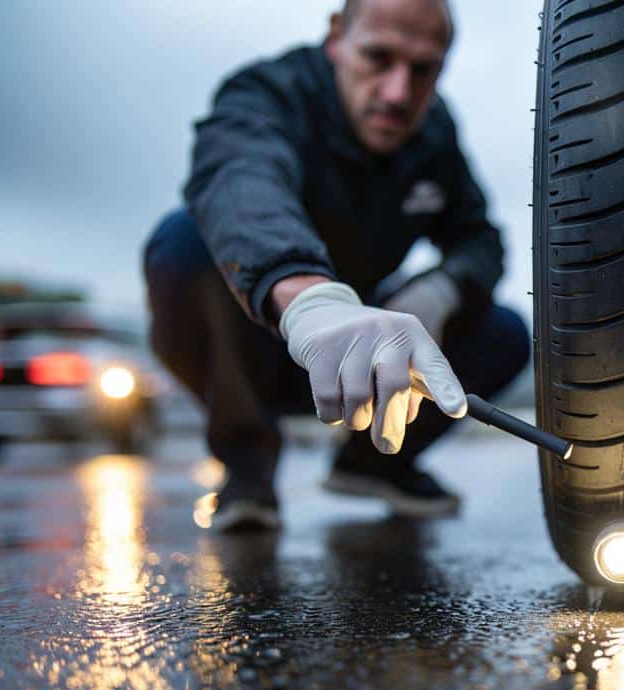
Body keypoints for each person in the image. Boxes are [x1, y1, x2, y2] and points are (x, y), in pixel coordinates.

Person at [142, 0, 529, 531]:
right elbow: (242, 184)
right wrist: (309, 299)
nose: (398, 93)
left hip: (368, 364)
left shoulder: (433, 132)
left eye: (423, 70)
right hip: (257, 343)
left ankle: (374, 461)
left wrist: (440, 290)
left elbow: (480, 239)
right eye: (378, 58)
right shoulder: (266, 94)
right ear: (336, 38)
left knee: (504, 331)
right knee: (183, 240)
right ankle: (247, 463)